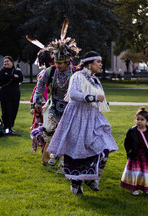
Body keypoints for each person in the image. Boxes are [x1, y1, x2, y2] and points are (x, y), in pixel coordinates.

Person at [47, 51, 118, 195]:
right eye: (98, 62)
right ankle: (76, 183)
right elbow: (73, 94)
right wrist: (92, 97)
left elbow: (99, 99)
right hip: (77, 117)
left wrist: (101, 100)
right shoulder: (77, 76)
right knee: (79, 151)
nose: (101, 64)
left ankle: (91, 176)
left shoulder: (95, 80)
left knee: (104, 146)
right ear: (90, 63)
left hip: (92, 117)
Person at [34, 36, 80, 172]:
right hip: (54, 106)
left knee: (67, 135)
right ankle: (53, 155)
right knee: (49, 131)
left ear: (67, 62)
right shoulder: (51, 71)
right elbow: (41, 84)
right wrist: (37, 100)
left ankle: (63, 163)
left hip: (70, 108)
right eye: (56, 62)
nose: (58, 65)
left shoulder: (75, 73)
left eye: (61, 63)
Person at [120, 107, 148, 196]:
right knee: (135, 173)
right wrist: (129, 150)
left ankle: (144, 187)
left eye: (142, 120)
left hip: (147, 156)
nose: (139, 121)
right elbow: (127, 142)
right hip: (135, 155)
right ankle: (134, 188)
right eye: (138, 119)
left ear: (147, 121)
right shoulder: (132, 130)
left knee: (145, 173)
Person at [0, 56, 23, 135]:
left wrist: (10, 77)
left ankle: (10, 126)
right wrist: (12, 77)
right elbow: (1, 78)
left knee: (14, 110)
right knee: (6, 111)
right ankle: (6, 127)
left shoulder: (17, 71)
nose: (6, 63)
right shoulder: (2, 71)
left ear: (12, 62)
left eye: (7, 61)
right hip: (5, 94)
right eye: (5, 62)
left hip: (15, 94)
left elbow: (20, 78)